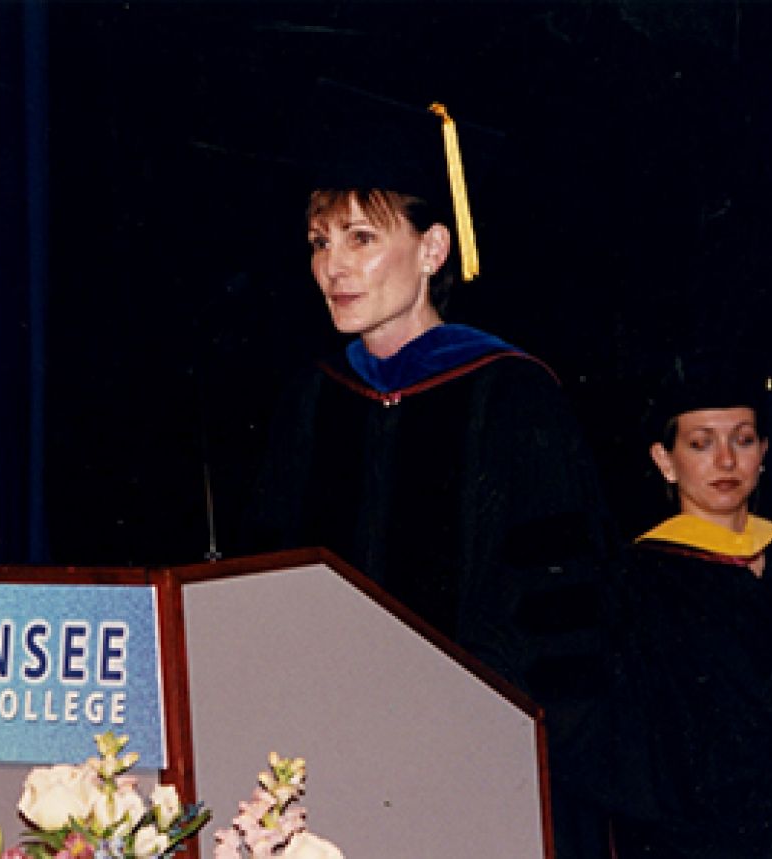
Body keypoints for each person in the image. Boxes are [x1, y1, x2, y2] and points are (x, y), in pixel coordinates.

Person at [237, 81, 615, 859]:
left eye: (360, 237)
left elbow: (563, 626)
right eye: (318, 241)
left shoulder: (513, 398)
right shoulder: (313, 400)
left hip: (476, 772)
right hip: (327, 773)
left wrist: (458, 728)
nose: (333, 266)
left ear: (434, 248)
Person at [606, 362, 772, 857]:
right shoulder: (638, 583)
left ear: (763, 454)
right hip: (721, 824)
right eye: (700, 444)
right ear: (665, 460)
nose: (725, 461)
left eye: (742, 440)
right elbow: (662, 739)